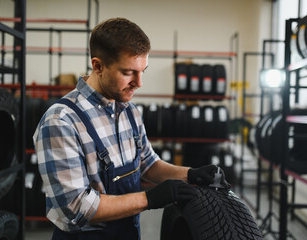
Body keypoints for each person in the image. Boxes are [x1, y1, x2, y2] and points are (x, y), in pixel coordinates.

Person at [33, 17, 226, 240]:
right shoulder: (61, 121)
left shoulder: (129, 111)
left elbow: (147, 163)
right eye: (128, 72)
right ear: (98, 66)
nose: (139, 82)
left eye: (143, 70)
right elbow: (76, 207)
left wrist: (190, 174)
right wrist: (149, 199)